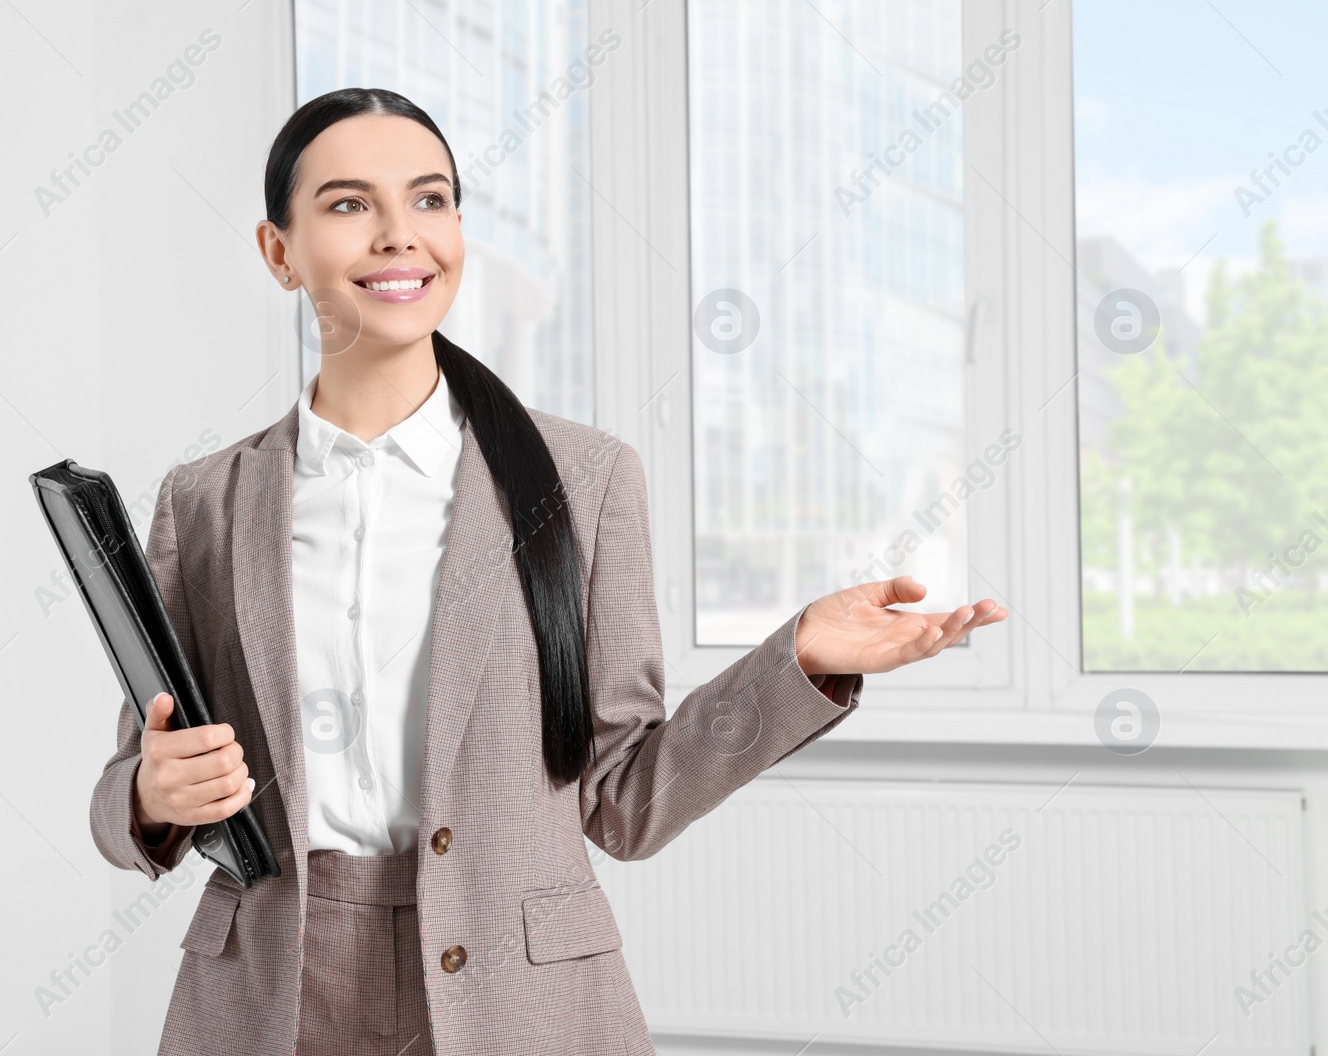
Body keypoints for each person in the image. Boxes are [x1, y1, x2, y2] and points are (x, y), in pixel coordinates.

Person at [88, 87, 1006, 1056]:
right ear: (279, 253)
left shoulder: (584, 479)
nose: (402, 236)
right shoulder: (204, 502)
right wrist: (150, 797)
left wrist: (796, 662)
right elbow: (125, 788)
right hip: (271, 989)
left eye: (431, 200)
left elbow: (626, 798)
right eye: (350, 205)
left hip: (519, 998)